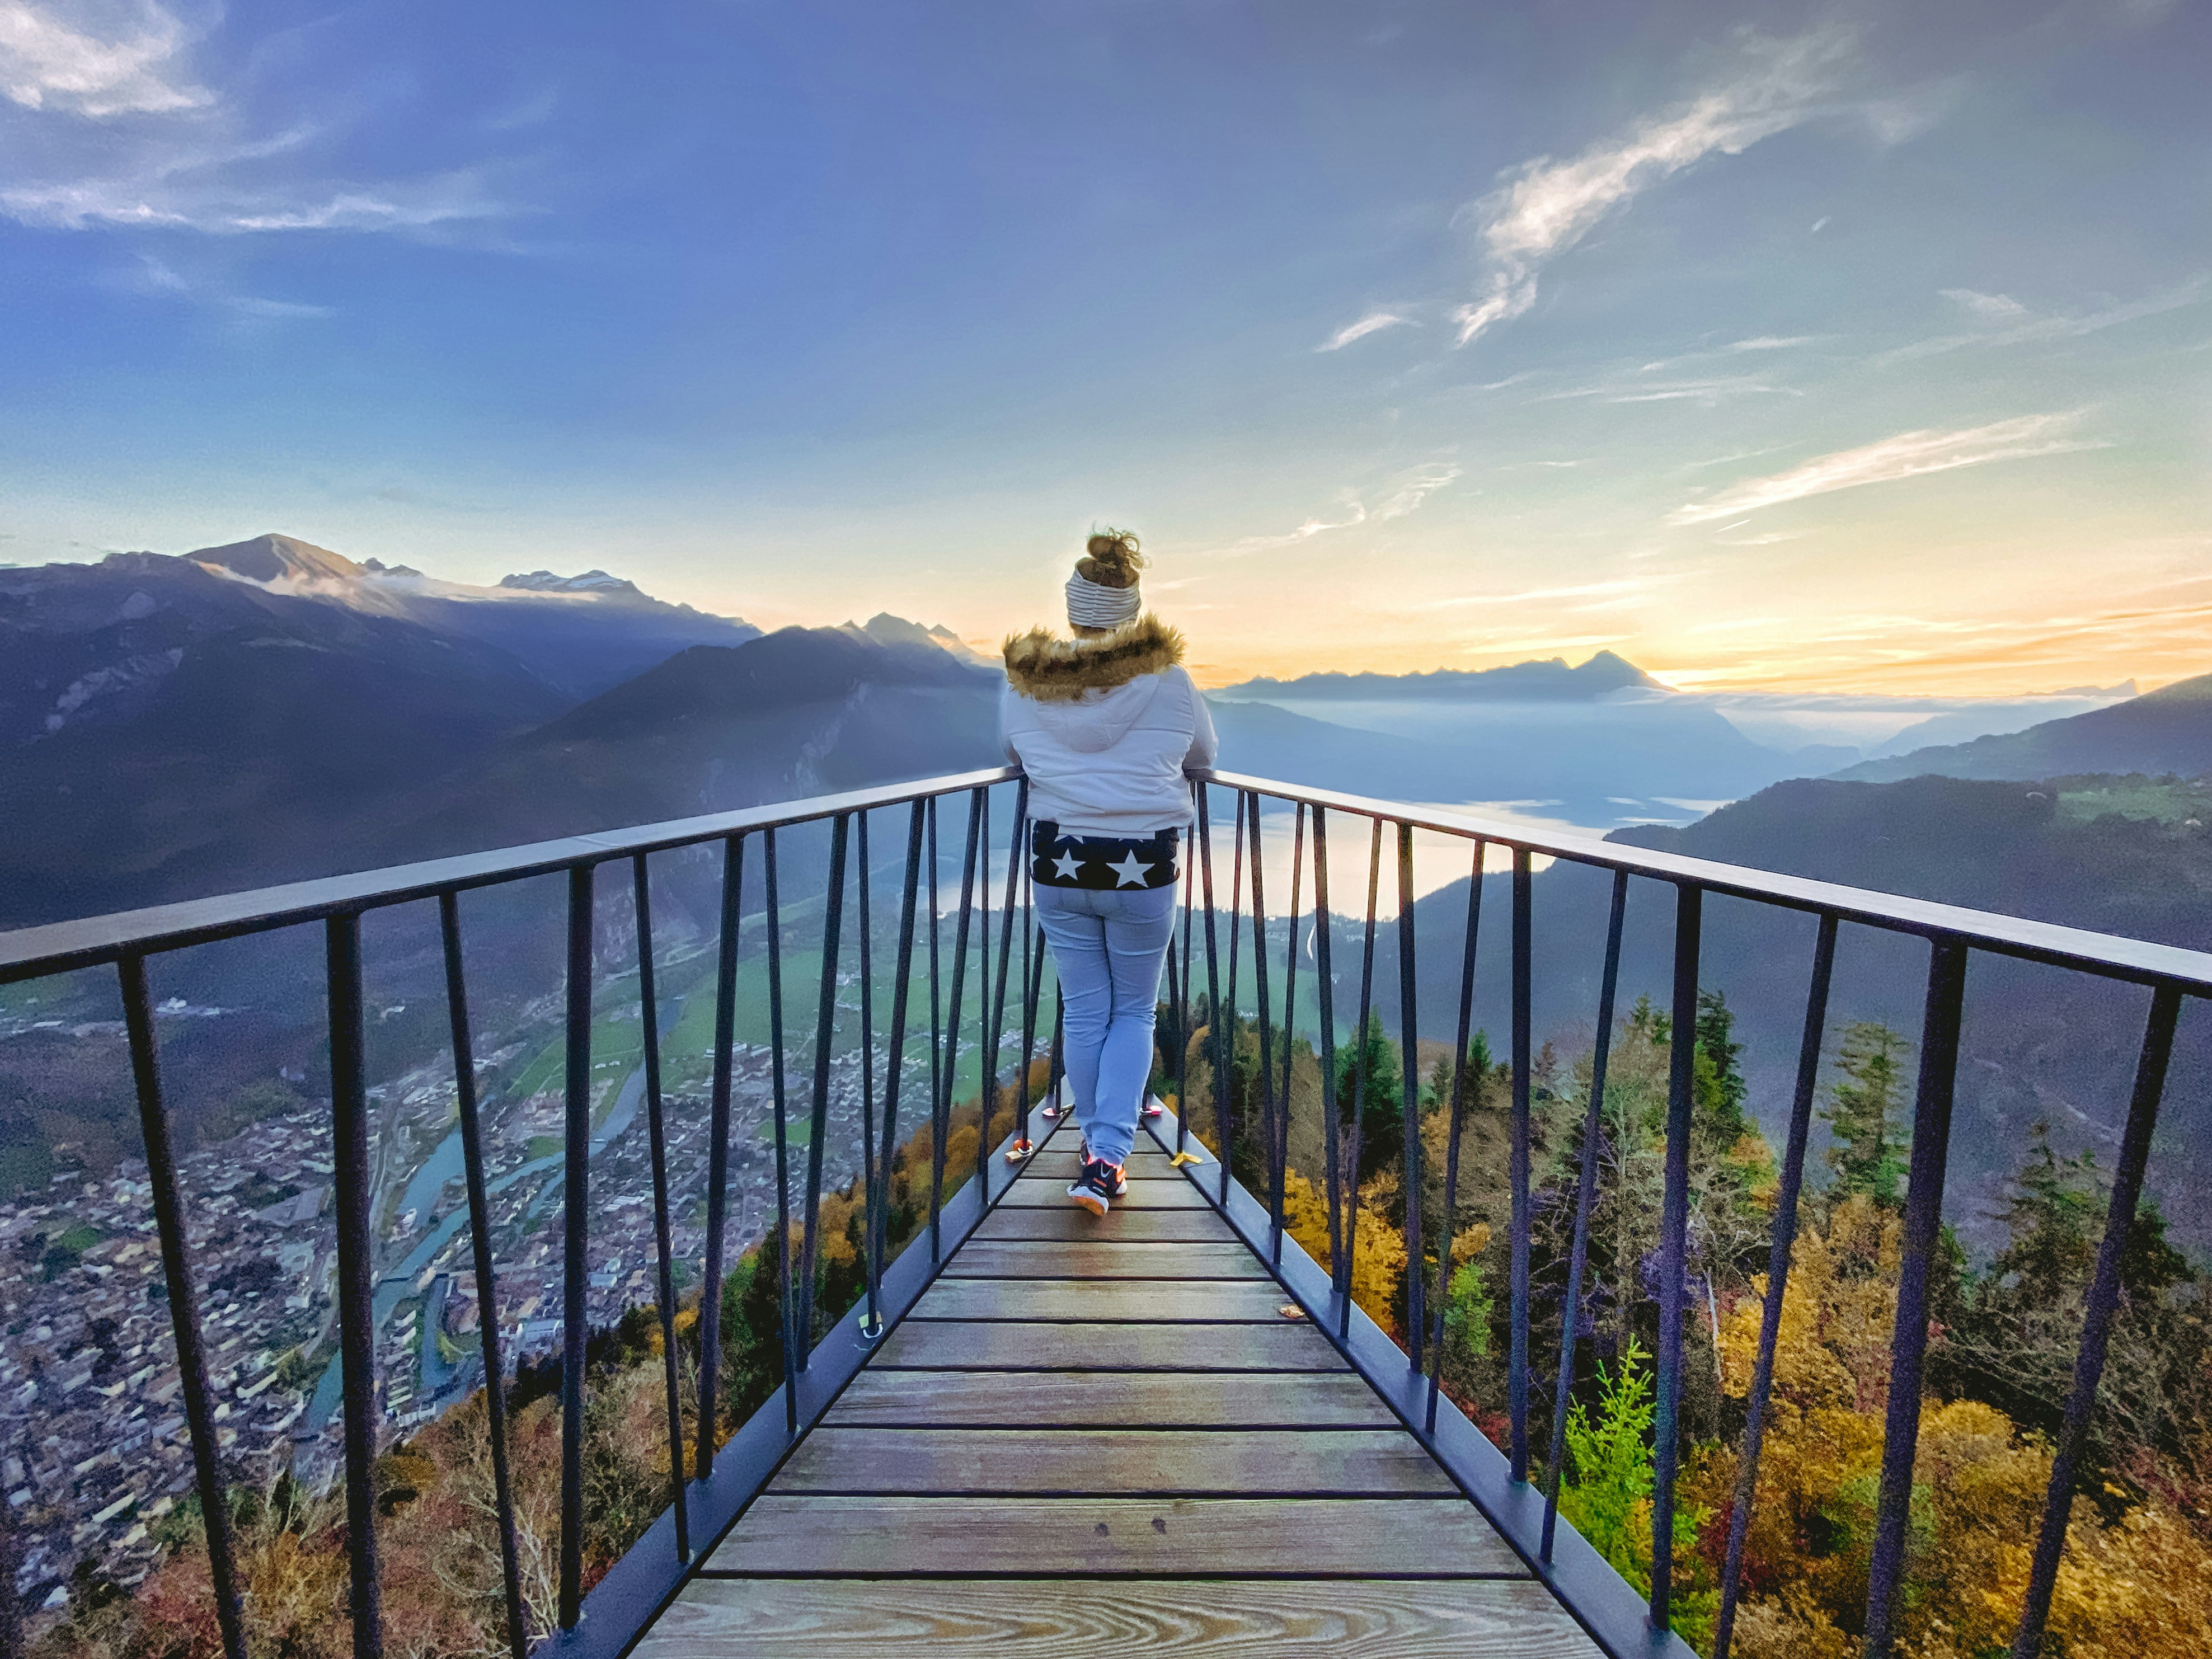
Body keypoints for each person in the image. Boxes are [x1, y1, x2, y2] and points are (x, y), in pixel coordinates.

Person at [1000, 529, 1217, 1215]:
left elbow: (1009, 753)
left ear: (1071, 615)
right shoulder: (1172, 685)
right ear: (1133, 615)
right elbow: (1205, 756)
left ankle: (1097, 1149)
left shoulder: (1024, 688)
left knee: (1087, 1009)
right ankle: (1106, 1158)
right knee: (1132, 1010)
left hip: (1057, 863)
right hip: (1141, 868)